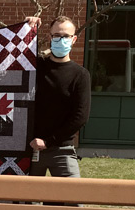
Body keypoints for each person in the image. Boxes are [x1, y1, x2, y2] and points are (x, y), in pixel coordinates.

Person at [24, 16, 91, 178]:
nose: (61, 40)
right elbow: (14, 57)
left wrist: (48, 142)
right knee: (26, 201)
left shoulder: (80, 75)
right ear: (50, 37)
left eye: (66, 36)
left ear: (74, 39)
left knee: (71, 200)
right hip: (31, 149)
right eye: (56, 35)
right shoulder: (36, 67)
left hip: (63, 150)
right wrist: (27, 29)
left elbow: (80, 117)